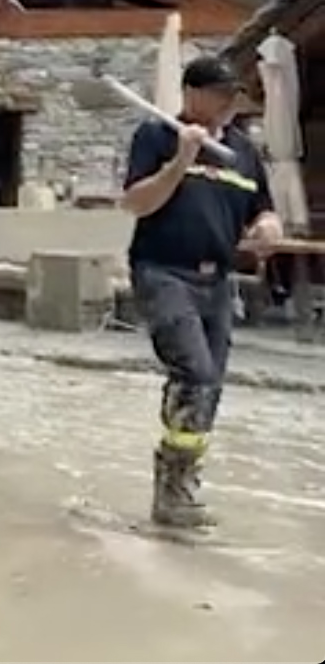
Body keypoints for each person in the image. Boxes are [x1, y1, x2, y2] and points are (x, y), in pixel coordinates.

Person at [121, 54, 283, 530]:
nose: (229, 105)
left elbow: (262, 208)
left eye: (233, 96)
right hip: (164, 272)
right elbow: (135, 202)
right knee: (195, 371)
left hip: (218, 281)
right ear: (193, 94)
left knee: (210, 386)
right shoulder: (156, 136)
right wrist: (182, 160)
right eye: (220, 95)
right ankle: (171, 484)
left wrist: (268, 227)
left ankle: (180, 486)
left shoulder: (242, 150)